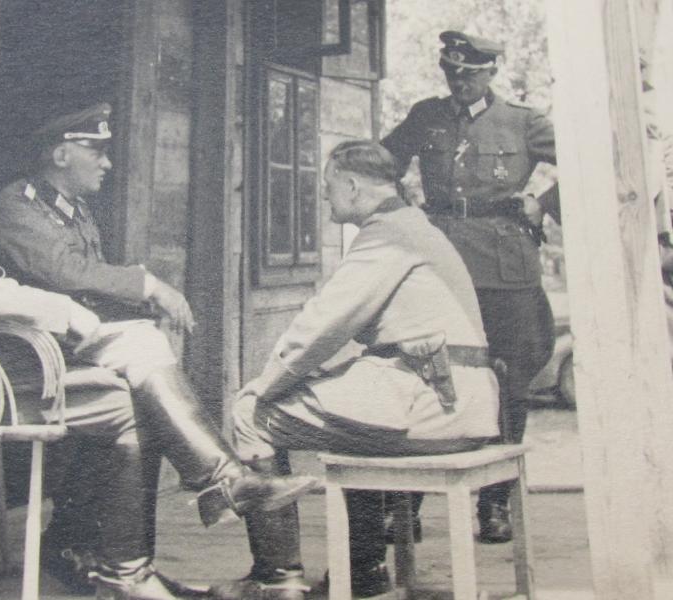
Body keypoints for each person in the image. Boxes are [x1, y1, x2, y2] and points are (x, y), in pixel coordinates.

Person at [0, 101, 317, 600]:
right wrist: (66, 313)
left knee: (133, 385)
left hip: (0, 363)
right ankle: (171, 530)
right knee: (137, 365)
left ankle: (142, 555)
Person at [210, 140, 500, 599]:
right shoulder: (410, 225)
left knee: (251, 413)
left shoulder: (387, 235)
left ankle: (276, 577)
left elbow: (323, 325)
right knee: (353, 414)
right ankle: (361, 572)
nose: (325, 196)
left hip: (430, 402)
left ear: (351, 185)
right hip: (457, 400)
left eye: (328, 187)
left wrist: (263, 388)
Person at [380, 30, 558, 544]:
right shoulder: (425, 116)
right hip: (437, 262)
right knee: (419, 370)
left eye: (470, 73)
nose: (459, 81)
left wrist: (542, 204)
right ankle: (404, 505)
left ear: (491, 72)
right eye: (451, 72)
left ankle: (495, 503)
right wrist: (399, 213)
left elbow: (590, 159)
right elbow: (377, 165)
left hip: (504, 270)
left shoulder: (525, 122)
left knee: (509, 380)